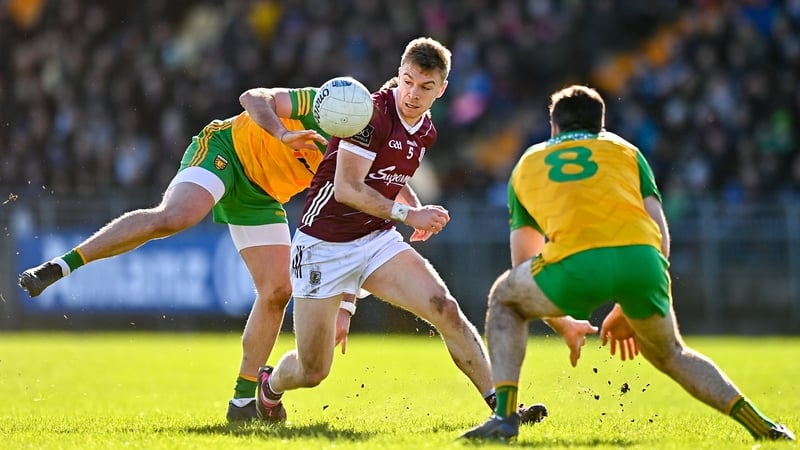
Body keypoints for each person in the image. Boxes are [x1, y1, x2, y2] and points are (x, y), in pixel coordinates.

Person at [251, 37, 601, 424]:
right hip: (323, 246)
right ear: (398, 74)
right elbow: (348, 189)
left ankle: (504, 410)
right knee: (313, 370)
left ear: (442, 89)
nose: (413, 94)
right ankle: (270, 386)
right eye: (407, 81)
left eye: (425, 87)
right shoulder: (369, 115)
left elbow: (389, 175)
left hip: (374, 240)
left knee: (445, 309)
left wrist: (411, 206)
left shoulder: (426, 130)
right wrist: (409, 215)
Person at [459, 84, 796, 441]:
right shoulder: (626, 151)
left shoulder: (529, 162)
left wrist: (564, 324)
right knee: (672, 353)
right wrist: (628, 305)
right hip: (643, 261)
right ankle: (765, 428)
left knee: (504, 297)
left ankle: (505, 418)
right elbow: (659, 230)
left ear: (554, 127)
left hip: (574, 265)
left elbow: (522, 264)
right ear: (600, 127)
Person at [17, 85, 335, 422]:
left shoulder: (368, 150)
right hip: (227, 149)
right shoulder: (328, 103)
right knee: (175, 217)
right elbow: (252, 99)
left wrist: (345, 306)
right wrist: (283, 133)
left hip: (262, 195)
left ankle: (242, 404)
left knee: (278, 291)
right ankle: (61, 265)